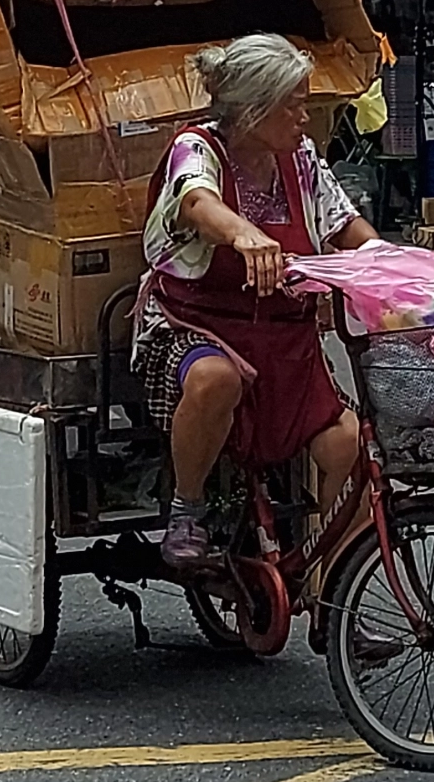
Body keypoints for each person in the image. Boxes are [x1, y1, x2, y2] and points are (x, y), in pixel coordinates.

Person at [135, 33, 381, 575]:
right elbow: (197, 202)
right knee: (214, 380)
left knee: (347, 445)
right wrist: (241, 234)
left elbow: (343, 225)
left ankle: (337, 592)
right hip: (195, 325)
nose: (303, 116)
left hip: (284, 337)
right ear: (252, 110)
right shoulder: (196, 148)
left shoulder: (302, 159)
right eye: (292, 104)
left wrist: (396, 266)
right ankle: (188, 508)